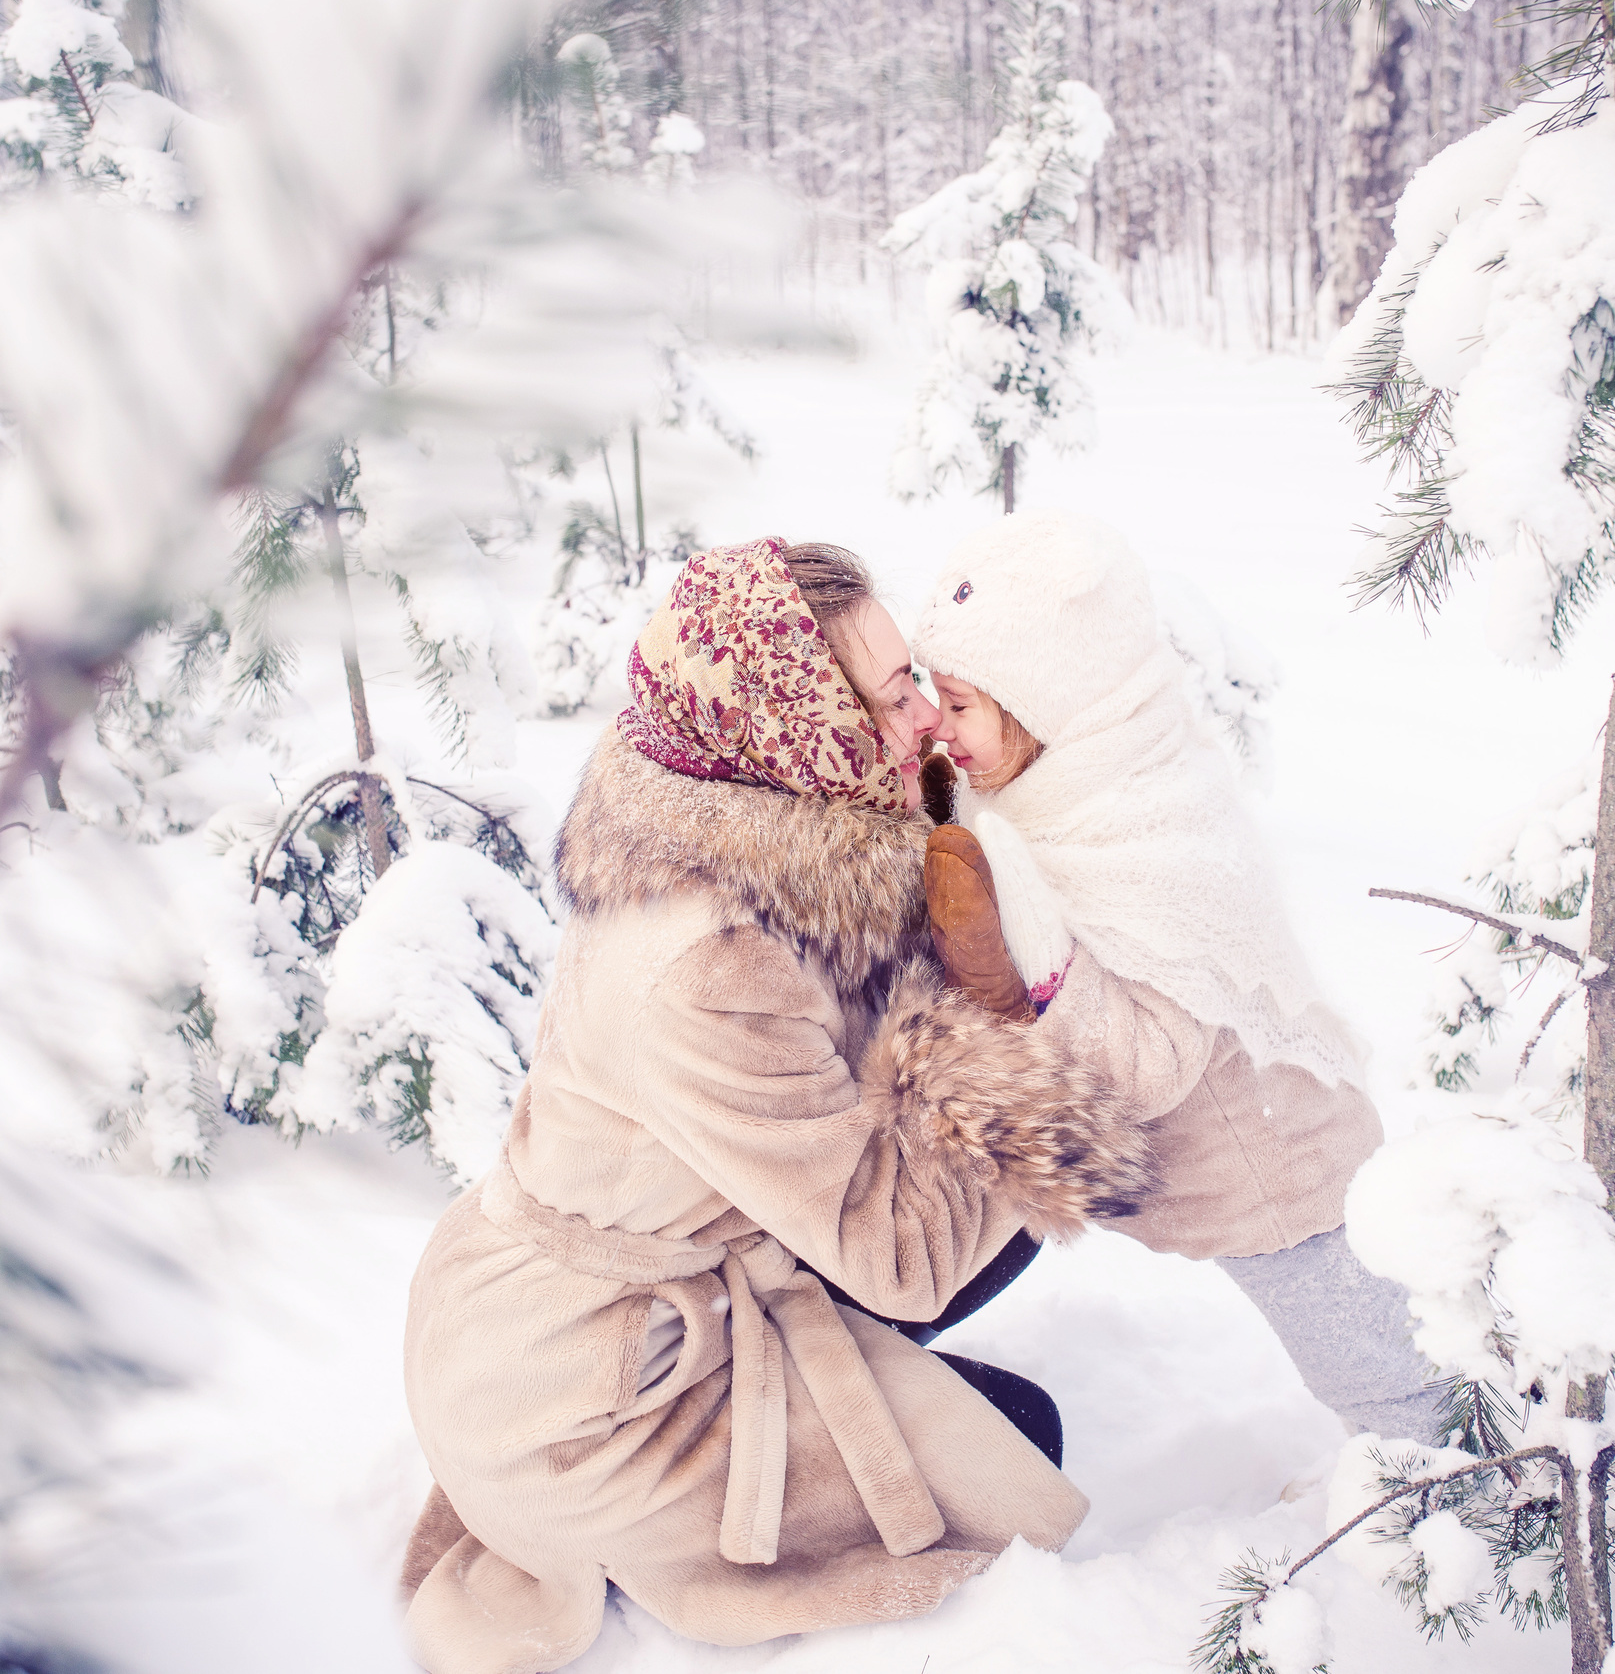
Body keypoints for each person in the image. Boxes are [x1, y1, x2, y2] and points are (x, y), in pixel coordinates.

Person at [395, 539, 1155, 1674]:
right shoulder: (711, 960)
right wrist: (1007, 1027)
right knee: (1016, 1431)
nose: (924, 718)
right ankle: (640, 1548)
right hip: (586, 1386)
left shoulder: (730, 791)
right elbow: (901, 1253)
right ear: (802, 716)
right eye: (894, 693)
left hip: (641, 1270)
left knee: (1003, 1232)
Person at [910, 508, 1449, 1448]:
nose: (939, 728)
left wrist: (1032, 948)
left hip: (1280, 1172)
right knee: (1399, 1348)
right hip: (1211, 1164)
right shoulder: (1044, 787)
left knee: (1383, 1379)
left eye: (959, 704)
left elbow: (1152, 1062)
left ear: (1047, 698)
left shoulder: (1150, 819)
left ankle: (1486, 1507)